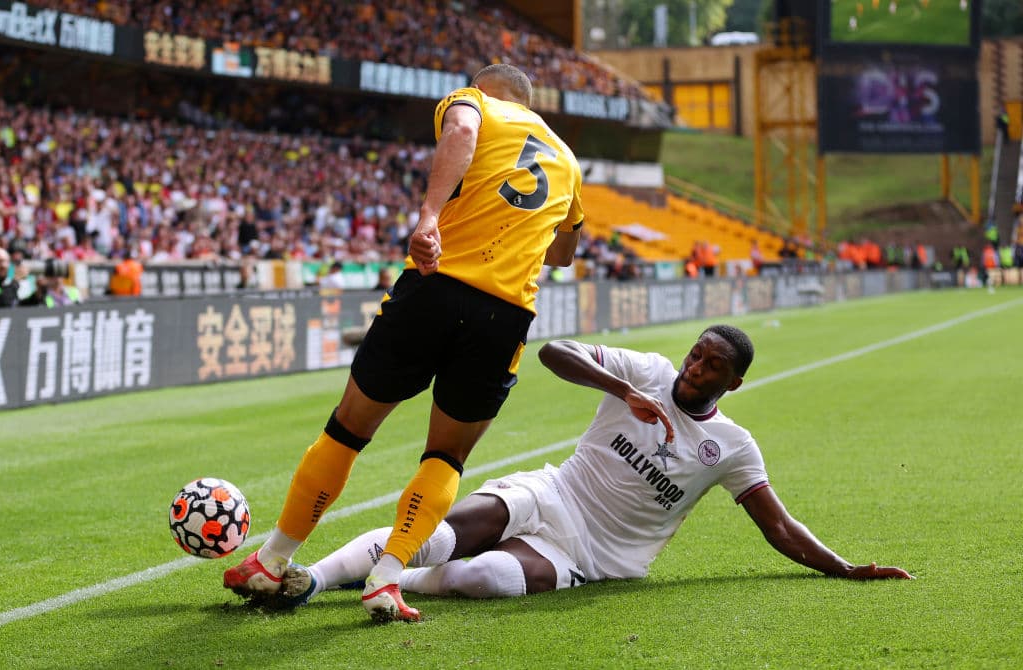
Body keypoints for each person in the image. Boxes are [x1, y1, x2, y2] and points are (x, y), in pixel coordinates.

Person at [223, 63, 585, 623]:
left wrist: (430, 216)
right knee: (446, 455)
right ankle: (387, 578)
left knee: (347, 429)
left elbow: (460, 131)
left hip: (436, 285)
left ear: (484, 88)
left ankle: (271, 561)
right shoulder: (568, 160)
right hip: (505, 314)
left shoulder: (474, 102)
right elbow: (562, 254)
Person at [255, 326, 911, 613]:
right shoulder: (647, 372)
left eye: (712, 366)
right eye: (696, 354)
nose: (694, 368)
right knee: (443, 529)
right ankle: (311, 581)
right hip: (553, 491)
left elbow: (779, 526)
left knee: (484, 577)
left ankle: (397, 581)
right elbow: (554, 351)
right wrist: (622, 389)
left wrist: (845, 568)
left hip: (596, 554)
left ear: (732, 383)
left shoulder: (732, 447)